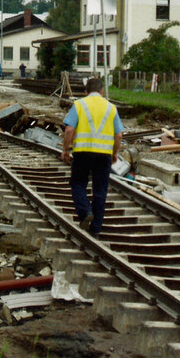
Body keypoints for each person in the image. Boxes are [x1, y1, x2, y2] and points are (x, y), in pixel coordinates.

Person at [60, 78, 124, 238]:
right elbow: (119, 135)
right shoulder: (111, 108)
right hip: (104, 155)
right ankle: (96, 228)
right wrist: (114, 153)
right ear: (102, 91)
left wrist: (65, 150)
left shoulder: (79, 104)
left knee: (78, 183)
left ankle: (85, 212)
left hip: (82, 152)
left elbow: (69, 130)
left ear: (85, 91)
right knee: (100, 189)